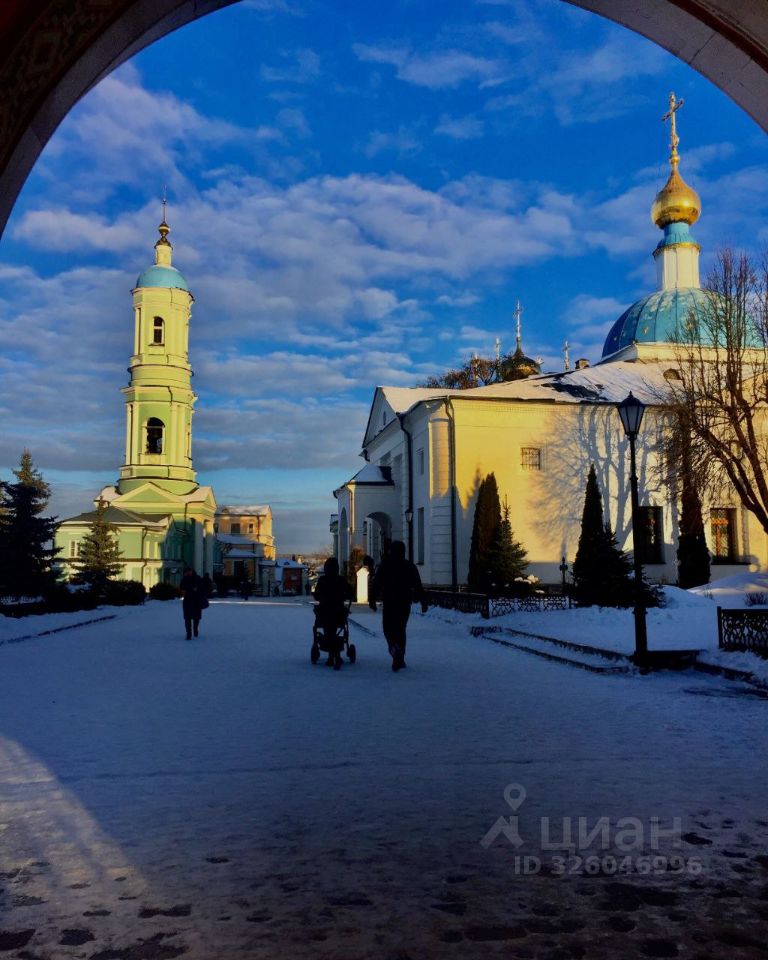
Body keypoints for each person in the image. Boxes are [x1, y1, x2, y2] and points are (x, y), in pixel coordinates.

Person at [369, 540, 427, 671]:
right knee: (401, 629)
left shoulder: (385, 566)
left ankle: (394, 649)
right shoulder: (409, 566)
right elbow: (418, 585)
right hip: (404, 602)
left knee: (388, 628)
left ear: (392, 551)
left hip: (390, 602)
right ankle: (400, 657)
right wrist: (423, 601)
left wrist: (372, 600)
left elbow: (377, 583)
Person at [314, 557, 354, 670]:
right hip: (338, 613)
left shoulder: (322, 580)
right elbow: (351, 593)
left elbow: (317, 595)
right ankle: (335, 656)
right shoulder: (341, 580)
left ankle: (333, 656)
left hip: (325, 613)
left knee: (329, 631)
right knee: (332, 631)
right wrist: (345, 596)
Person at [181, 566, 204, 641]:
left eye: (189, 571)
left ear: (192, 571)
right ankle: (189, 634)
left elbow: (202, 588)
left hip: (196, 600)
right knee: (187, 618)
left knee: (196, 617)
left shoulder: (197, 578)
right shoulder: (184, 579)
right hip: (187, 600)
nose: (188, 573)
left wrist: (196, 590)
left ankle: (195, 628)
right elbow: (182, 588)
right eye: (187, 571)